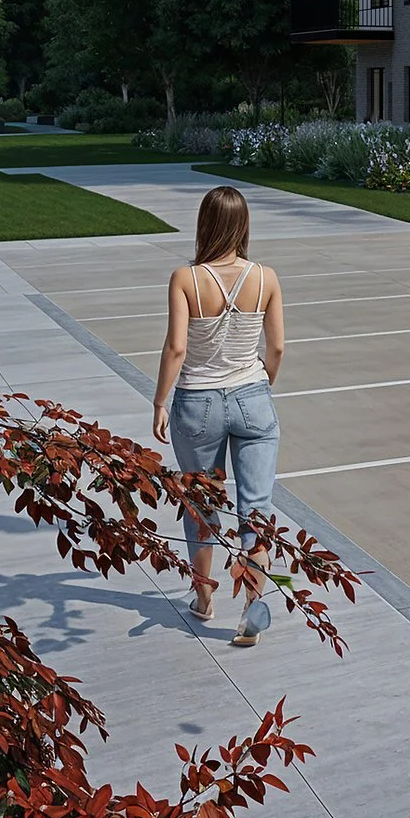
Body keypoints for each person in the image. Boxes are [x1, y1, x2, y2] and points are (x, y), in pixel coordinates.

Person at [152, 187, 285, 647]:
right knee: (256, 507)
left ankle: (205, 599)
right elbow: (278, 347)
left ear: (204, 223)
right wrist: (264, 379)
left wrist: (158, 401)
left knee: (202, 505)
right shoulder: (265, 277)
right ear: (243, 224)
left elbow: (177, 348)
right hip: (253, 397)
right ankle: (251, 612)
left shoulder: (185, 278)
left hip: (197, 403)